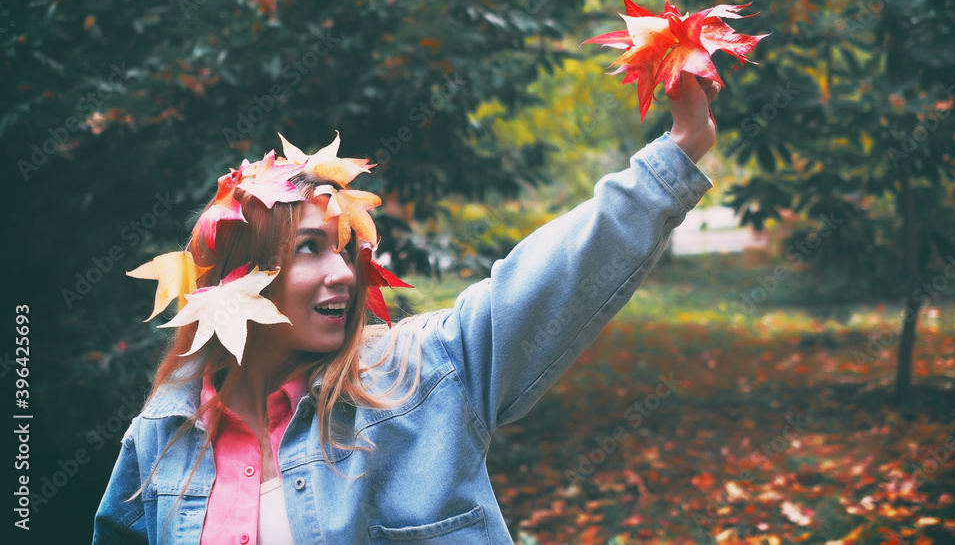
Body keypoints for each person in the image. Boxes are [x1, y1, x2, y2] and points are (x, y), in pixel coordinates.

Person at [92, 71, 720, 544]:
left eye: (342, 249)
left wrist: (679, 150)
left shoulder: (420, 374)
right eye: (310, 248)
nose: (343, 272)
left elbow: (549, 280)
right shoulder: (163, 434)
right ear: (238, 277)